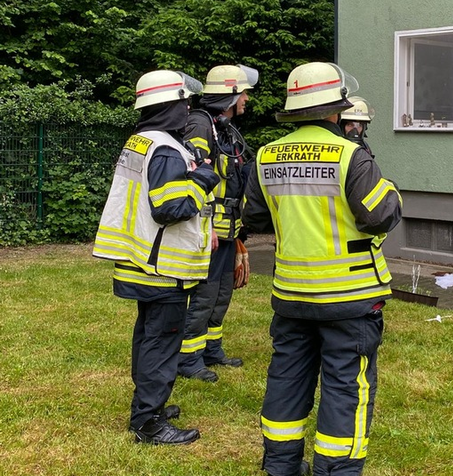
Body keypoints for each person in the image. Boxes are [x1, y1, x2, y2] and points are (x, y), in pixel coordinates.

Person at [241, 62, 402, 476]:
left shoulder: (266, 156)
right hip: (350, 298)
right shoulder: (352, 156)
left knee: (287, 379)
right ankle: (335, 470)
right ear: (337, 110)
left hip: (291, 295)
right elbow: (381, 215)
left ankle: (280, 466)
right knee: (346, 386)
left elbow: (254, 218)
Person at [93, 69, 220, 445]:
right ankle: (148, 422)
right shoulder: (165, 148)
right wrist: (202, 180)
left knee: (147, 338)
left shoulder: (141, 140)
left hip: (139, 259)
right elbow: (170, 208)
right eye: (184, 102)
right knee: (162, 343)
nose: (188, 109)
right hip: (161, 267)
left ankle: (148, 406)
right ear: (169, 105)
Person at [178, 64, 258, 383]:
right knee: (204, 294)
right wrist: (206, 224)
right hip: (208, 229)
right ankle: (188, 357)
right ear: (230, 94)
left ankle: (212, 348)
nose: (247, 99)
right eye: (243, 92)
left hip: (228, 228)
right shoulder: (200, 125)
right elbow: (194, 173)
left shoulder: (223, 127)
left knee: (222, 291)